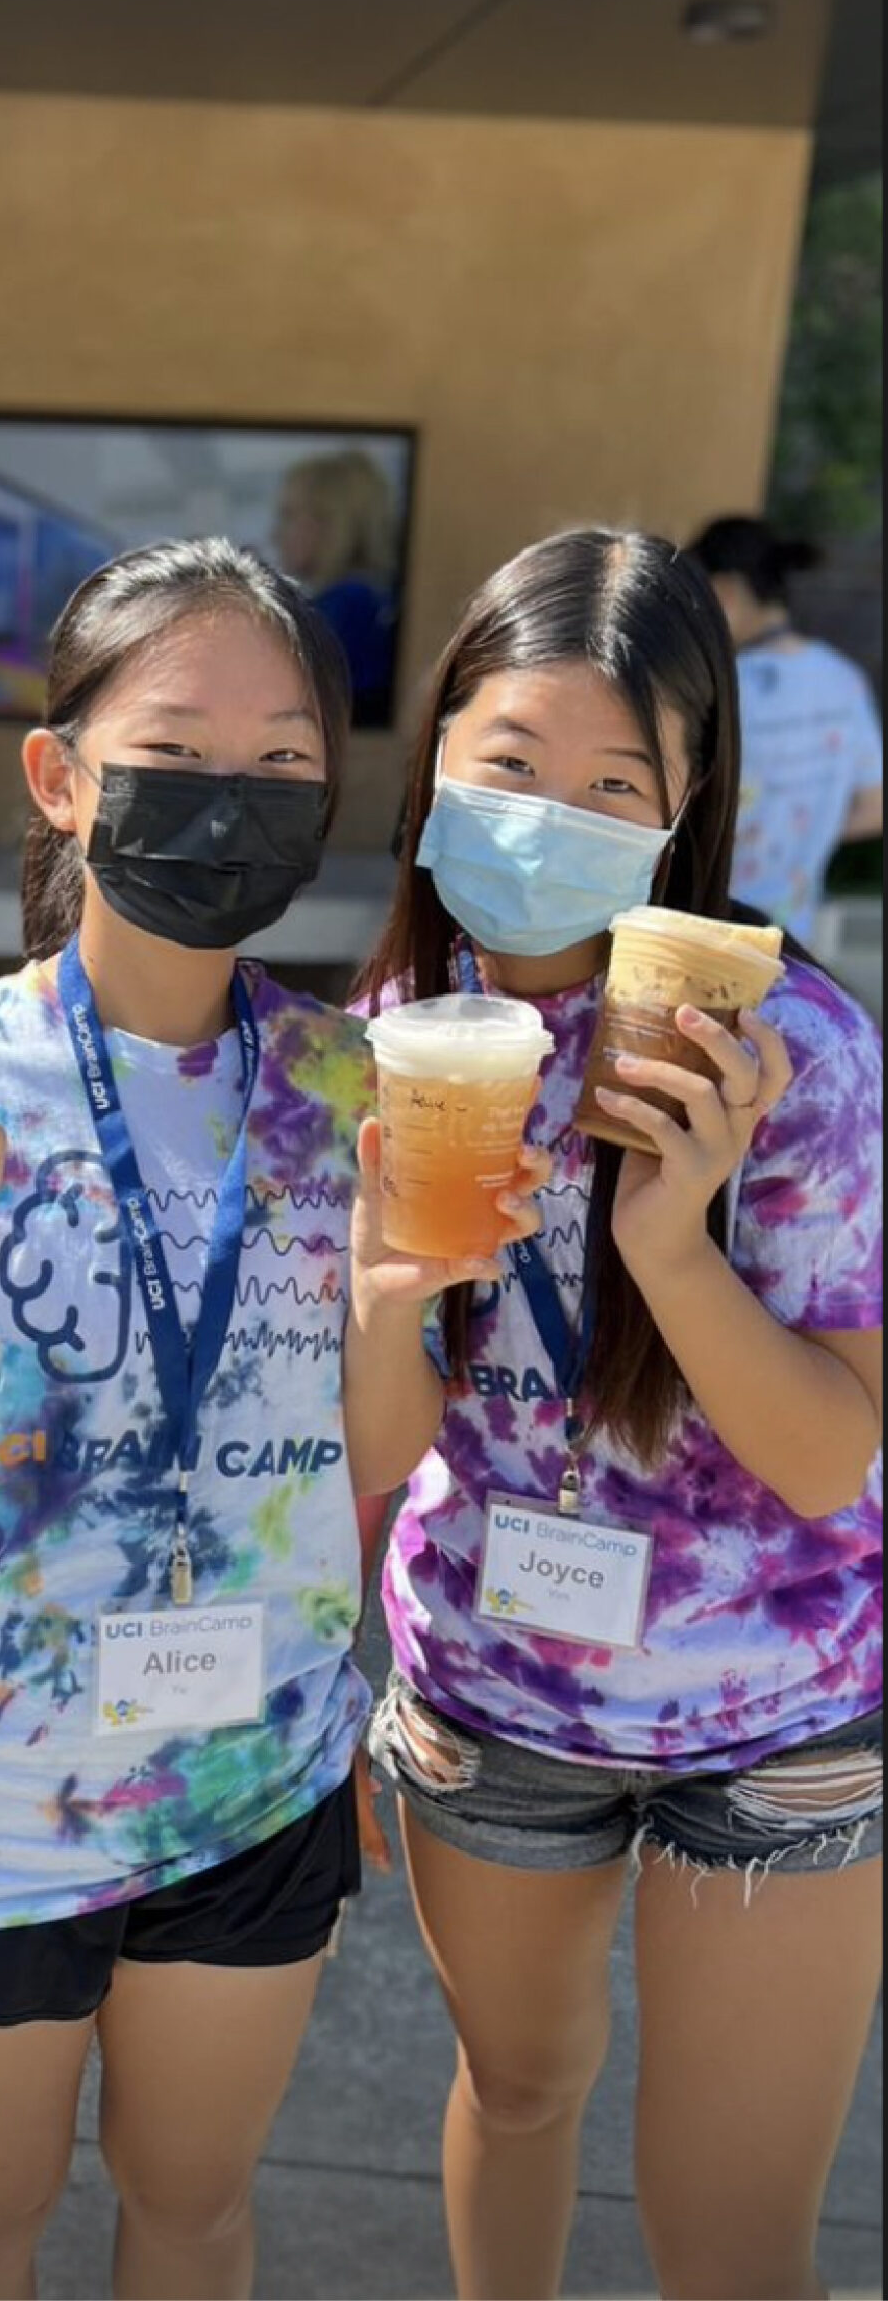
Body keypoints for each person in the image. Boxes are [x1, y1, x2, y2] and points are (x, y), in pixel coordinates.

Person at [0, 535, 544, 2301]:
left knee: (191, 2210)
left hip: (253, 1777)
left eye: (285, 764)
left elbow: (371, 1456)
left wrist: (376, 1306)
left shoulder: (358, 1085)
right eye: (179, 749)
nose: (234, 800)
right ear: (61, 778)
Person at [347, 528, 882, 2301]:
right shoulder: (394, 1030)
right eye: (509, 764)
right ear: (436, 754)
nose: (547, 815)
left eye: (611, 782)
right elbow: (377, 1441)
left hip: (775, 1712)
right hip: (494, 1687)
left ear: (684, 803)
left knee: (727, 2241)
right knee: (517, 2091)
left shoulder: (783, 1050)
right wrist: (386, 1294)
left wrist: (666, 1241)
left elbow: (822, 1458)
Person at [691, 515, 883, 947]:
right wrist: (804, 828)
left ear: (726, 591)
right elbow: (875, 807)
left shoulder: (722, 684)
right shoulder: (842, 678)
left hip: (704, 933)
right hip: (793, 944)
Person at [272, 449, 402, 730]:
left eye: (288, 516)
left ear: (330, 522)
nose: (275, 533)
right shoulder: (373, 598)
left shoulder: (347, 606)